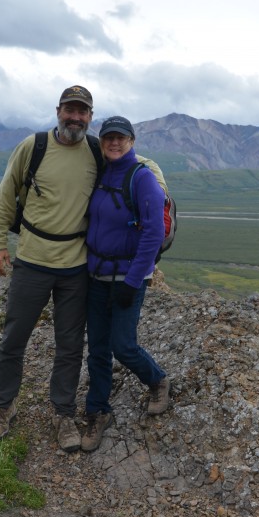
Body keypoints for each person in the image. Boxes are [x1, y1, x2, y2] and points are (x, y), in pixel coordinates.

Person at [0, 85, 99, 452]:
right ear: (58, 111)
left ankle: (63, 414)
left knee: (69, 345)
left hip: (76, 266)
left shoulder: (97, 151)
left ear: (90, 117)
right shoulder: (33, 147)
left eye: (82, 112)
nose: (75, 118)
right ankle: (2, 408)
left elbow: (133, 168)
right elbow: (6, 194)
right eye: (70, 110)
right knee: (14, 339)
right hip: (32, 261)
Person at [80, 115, 170, 453]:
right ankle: (98, 410)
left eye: (121, 138)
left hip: (127, 278)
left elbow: (153, 233)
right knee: (98, 348)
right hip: (95, 276)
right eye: (108, 138)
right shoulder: (102, 175)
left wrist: (133, 280)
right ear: (101, 142)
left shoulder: (142, 177)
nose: (114, 143)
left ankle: (158, 380)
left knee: (123, 345)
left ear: (131, 141)